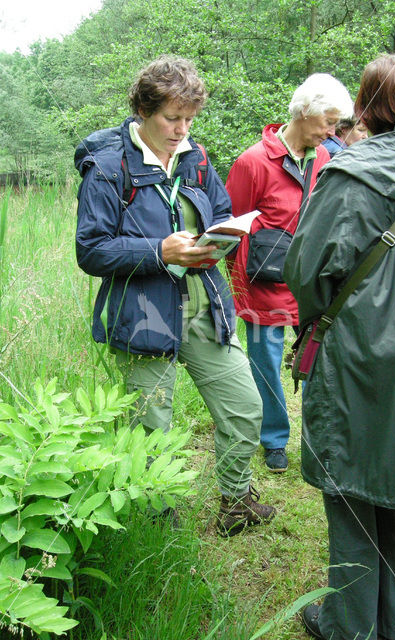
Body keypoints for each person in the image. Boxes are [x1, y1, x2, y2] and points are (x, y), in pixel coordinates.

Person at [74, 55, 275, 537]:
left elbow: (222, 208)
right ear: (143, 110)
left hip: (203, 308)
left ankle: (236, 499)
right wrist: (158, 251)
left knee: (245, 405)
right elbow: (91, 250)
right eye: (171, 117)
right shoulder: (106, 168)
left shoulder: (196, 157)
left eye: (189, 118)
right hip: (142, 316)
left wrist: (219, 240)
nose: (182, 129)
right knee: (151, 431)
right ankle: (158, 524)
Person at [283, 53, 395, 639]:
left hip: (362, 363)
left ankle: (348, 628)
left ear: (367, 105)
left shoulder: (352, 173)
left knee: (353, 495)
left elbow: (306, 272)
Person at [225, 74, 353, 473]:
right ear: (303, 112)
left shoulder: (325, 160)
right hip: (263, 286)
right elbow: (233, 228)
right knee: (266, 364)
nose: (332, 132)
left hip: (310, 284)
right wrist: (239, 291)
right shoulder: (253, 161)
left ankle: (320, 443)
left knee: (318, 364)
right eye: (328, 122)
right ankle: (274, 438)